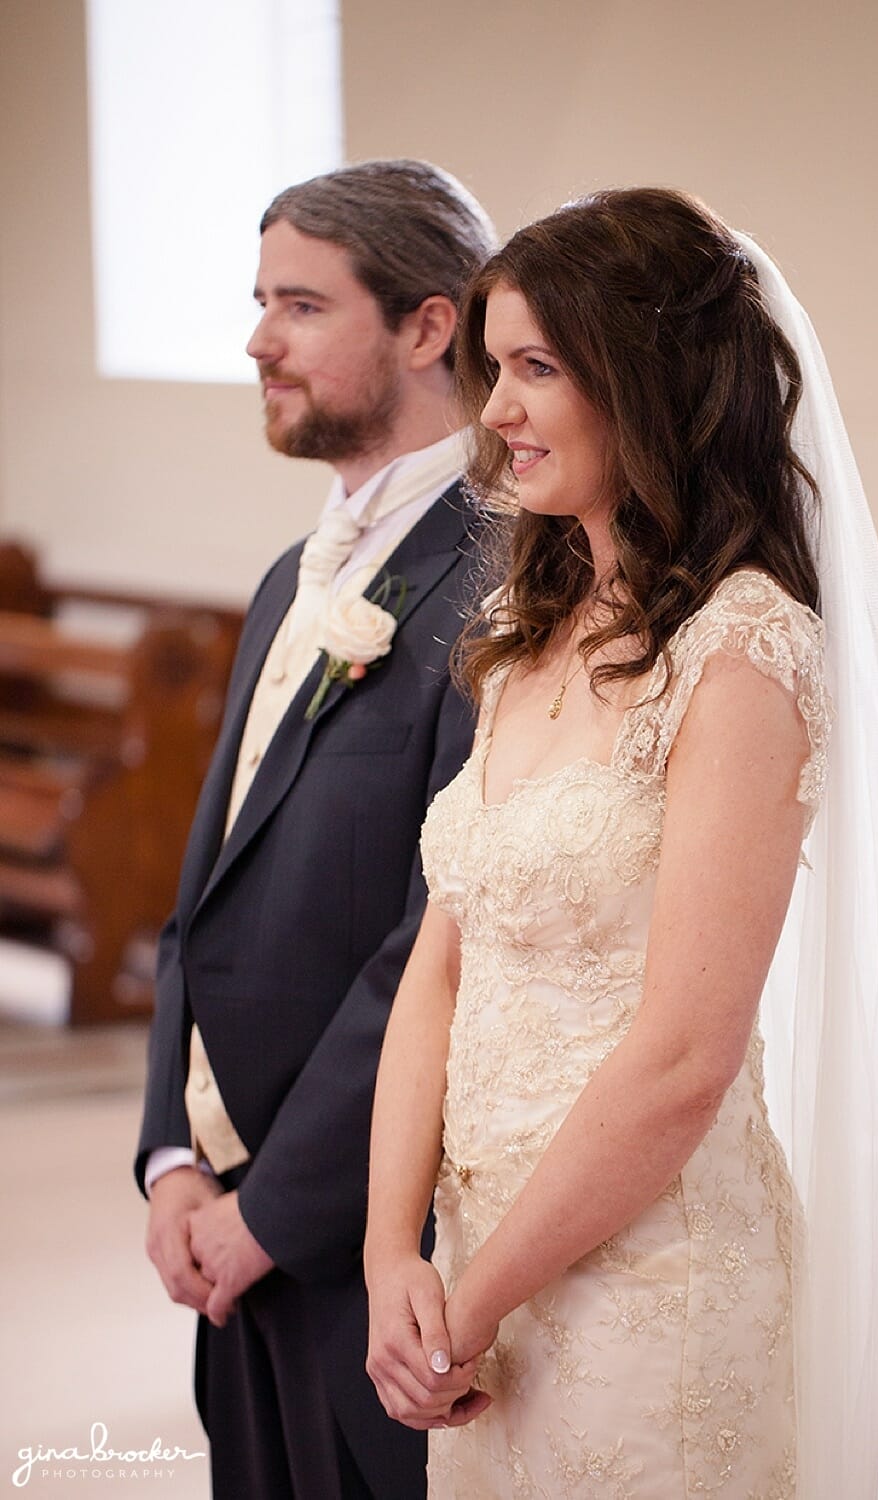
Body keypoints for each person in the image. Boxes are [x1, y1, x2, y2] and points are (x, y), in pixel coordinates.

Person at [364, 188, 878, 1497]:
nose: (492, 413)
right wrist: (393, 1258)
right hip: (475, 1269)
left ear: (648, 383)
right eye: (496, 368)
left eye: (536, 369)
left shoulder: (746, 651)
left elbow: (683, 1052)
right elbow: (442, 966)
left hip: (648, 1286)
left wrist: (477, 1297)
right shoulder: (524, 626)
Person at [135, 159, 496, 1500]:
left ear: (425, 327)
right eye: (257, 301)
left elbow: (435, 947)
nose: (256, 341)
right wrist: (176, 1162)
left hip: (367, 1249)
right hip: (227, 1226)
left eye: (299, 305)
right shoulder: (295, 576)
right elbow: (204, 892)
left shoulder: (503, 581)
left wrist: (275, 1215)